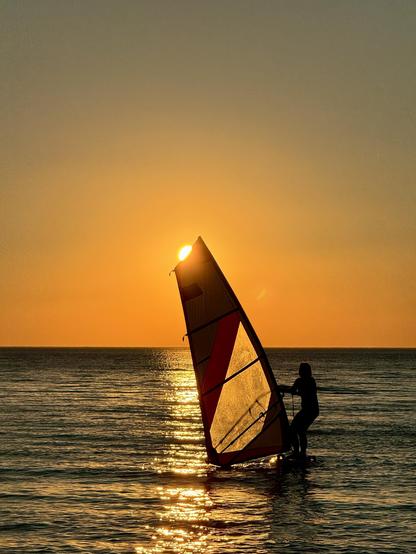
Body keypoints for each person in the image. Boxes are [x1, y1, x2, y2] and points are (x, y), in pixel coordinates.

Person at [279, 362, 319, 459]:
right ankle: (300, 452)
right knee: (299, 430)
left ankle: (299, 452)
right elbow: (295, 390)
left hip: (310, 410)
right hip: (310, 410)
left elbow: (294, 390)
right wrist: (283, 388)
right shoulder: (309, 381)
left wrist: (280, 389)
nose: (300, 371)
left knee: (295, 430)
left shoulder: (307, 381)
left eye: (301, 370)